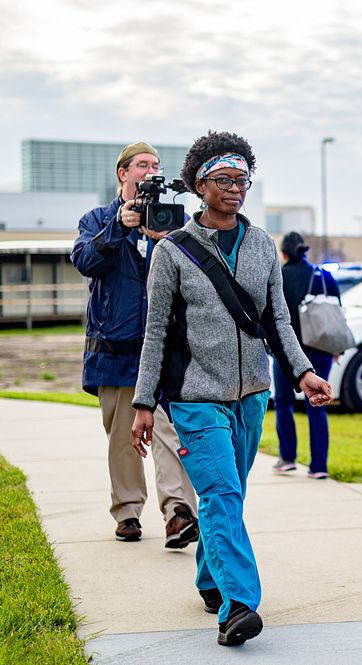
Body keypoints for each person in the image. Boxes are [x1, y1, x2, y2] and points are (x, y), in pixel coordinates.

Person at [130, 131, 334, 646]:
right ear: (200, 184)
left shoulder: (263, 244)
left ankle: (210, 578)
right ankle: (240, 603)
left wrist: (303, 372)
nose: (236, 188)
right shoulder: (172, 251)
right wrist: (143, 403)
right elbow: (155, 331)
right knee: (220, 492)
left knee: (230, 496)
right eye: (224, 179)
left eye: (243, 179)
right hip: (195, 397)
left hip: (252, 394)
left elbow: (277, 319)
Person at [70, 141, 199, 547]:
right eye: (142, 164)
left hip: (163, 351)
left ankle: (179, 511)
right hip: (115, 349)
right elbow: (85, 261)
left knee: (168, 430)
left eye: (156, 164)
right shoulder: (98, 219)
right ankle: (127, 512)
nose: (150, 169)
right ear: (123, 174)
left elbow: (193, 275)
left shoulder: (174, 223)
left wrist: (164, 240)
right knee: (123, 436)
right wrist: (120, 229)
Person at [271, 231, 340, 478]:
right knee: (318, 406)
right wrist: (335, 348)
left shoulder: (280, 275)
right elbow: (336, 312)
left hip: (289, 351)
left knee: (283, 402)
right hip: (320, 348)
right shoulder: (324, 275)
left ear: (284, 253)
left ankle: (287, 457)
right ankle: (319, 466)